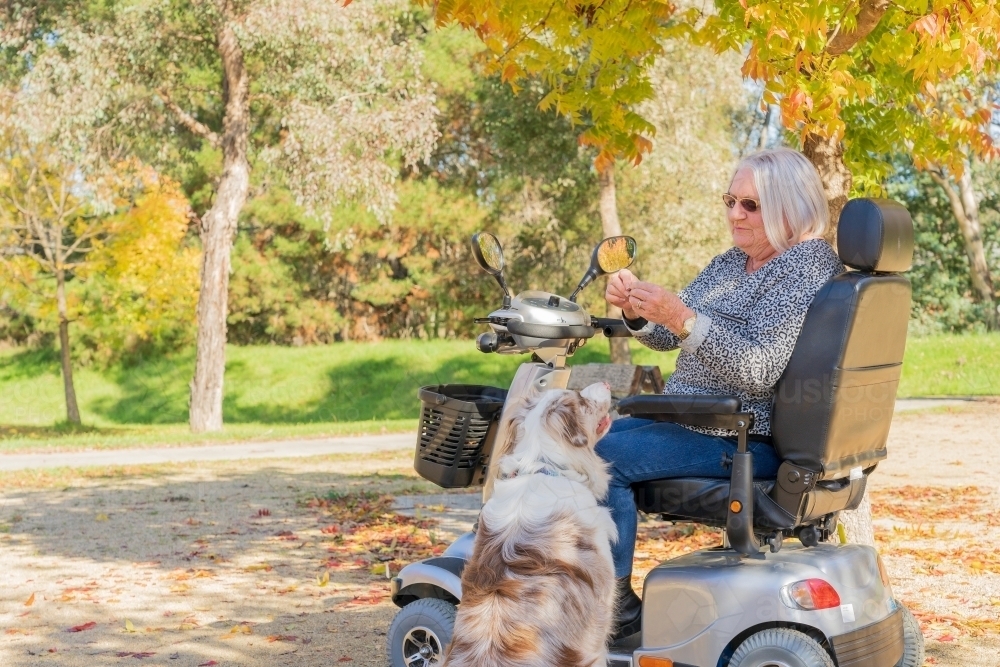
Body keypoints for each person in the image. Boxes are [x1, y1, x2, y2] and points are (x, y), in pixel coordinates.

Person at [598, 147, 845, 638]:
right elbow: (670, 335)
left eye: (750, 205)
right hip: (691, 420)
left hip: (737, 435)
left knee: (599, 458)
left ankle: (615, 610)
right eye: (730, 200)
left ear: (790, 207)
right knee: (578, 439)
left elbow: (758, 368)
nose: (735, 213)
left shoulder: (805, 267)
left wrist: (682, 317)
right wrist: (638, 311)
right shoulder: (733, 263)